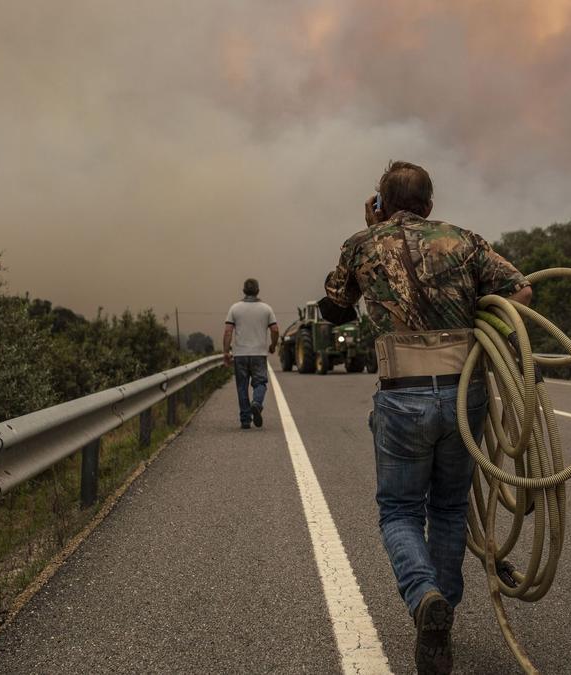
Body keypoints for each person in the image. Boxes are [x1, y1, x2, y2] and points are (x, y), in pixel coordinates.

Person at [322, 161, 532, 674]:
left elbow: (334, 310)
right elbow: (521, 291)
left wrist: (373, 235)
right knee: (449, 509)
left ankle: (424, 598)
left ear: (380, 203)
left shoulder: (360, 244)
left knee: (399, 511)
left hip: (402, 395)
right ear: (430, 205)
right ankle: (443, 618)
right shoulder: (464, 240)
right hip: (465, 394)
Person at [223, 278, 279, 429]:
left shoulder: (234, 308)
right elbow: (275, 330)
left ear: (243, 291)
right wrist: (273, 345)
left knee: (242, 386)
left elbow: (228, 331)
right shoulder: (266, 309)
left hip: (240, 354)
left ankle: (245, 420)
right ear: (258, 291)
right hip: (259, 354)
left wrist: (226, 352)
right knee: (260, 383)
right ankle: (257, 403)